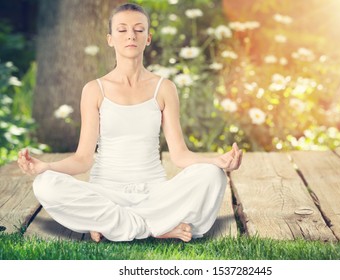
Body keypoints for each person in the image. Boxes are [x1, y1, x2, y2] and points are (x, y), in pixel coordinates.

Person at [17, 3, 242, 243]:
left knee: (213, 176)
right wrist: (46, 168)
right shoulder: (94, 90)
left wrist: (216, 161)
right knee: (45, 184)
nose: (131, 35)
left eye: (138, 29)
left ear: (148, 38)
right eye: (122, 30)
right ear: (110, 39)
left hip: (154, 194)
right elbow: (82, 159)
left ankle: (113, 224)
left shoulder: (164, 88)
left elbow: (180, 155)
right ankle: (155, 227)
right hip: (106, 193)